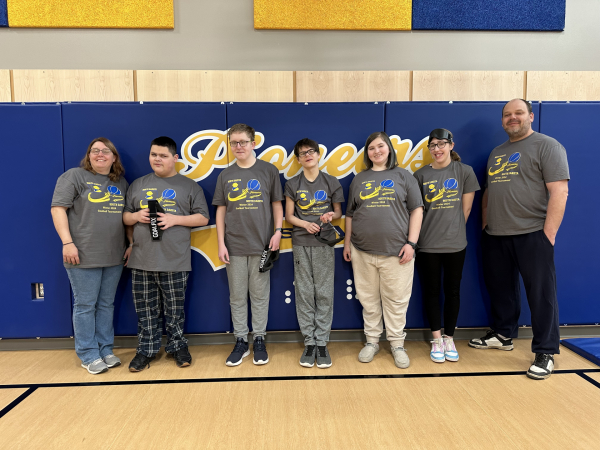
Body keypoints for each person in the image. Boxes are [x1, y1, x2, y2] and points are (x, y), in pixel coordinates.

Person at [469, 99, 570, 380]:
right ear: (502, 121)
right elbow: (488, 192)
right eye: (507, 115)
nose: (512, 118)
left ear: (531, 116)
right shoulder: (496, 153)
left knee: (541, 295)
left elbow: (559, 192)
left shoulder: (547, 146)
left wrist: (547, 234)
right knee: (500, 289)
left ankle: (546, 350)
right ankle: (503, 335)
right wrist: (487, 224)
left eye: (518, 113)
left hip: (532, 234)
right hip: (496, 235)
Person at [123, 136, 209, 372]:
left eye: (162, 155)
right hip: (141, 260)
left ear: (174, 158)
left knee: (174, 309)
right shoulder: (138, 185)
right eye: (153, 155)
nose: (157, 159)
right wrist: (135, 217)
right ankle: (146, 350)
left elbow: (203, 217)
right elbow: (125, 217)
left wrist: (175, 219)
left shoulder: (189, 186)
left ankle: (177, 346)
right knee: (145, 310)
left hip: (175, 259)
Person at [343, 131, 423, 369]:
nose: (376, 151)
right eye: (371, 148)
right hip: (362, 251)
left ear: (389, 148)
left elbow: (417, 210)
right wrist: (347, 243)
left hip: (397, 252)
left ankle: (397, 344)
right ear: (367, 153)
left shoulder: (404, 176)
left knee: (397, 300)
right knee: (368, 300)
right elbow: (349, 214)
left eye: (380, 146)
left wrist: (411, 243)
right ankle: (372, 341)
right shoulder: (359, 179)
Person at [51, 137, 130, 375]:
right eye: (94, 151)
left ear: (114, 157)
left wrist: (131, 244)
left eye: (105, 151)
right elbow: (58, 209)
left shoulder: (121, 183)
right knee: (85, 305)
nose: (100, 154)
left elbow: (125, 218)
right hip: (82, 254)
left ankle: (105, 349)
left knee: (106, 305)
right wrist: (67, 242)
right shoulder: (74, 176)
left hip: (114, 255)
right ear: (89, 155)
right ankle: (88, 354)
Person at [213, 123, 284, 367]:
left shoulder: (268, 171)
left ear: (254, 143)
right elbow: (221, 211)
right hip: (234, 246)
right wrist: (221, 243)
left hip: (262, 246)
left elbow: (277, 204)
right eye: (234, 143)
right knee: (237, 296)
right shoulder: (226, 175)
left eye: (243, 142)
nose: (238, 147)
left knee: (260, 295)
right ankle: (241, 340)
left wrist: (277, 232)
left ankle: (260, 339)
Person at [413, 128, 480, 363]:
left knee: (452, 291)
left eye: (441, 144)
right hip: (427, 245)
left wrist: (453, 231)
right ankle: (436, 338)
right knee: (431, 292)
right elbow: (416, 212)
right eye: (432, 145)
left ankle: (449, 337)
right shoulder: (419, 175)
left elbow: (467, 210)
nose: (437, 149)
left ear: (451, 145)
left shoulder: (465, 172)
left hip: (455, 244)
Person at [284, 138, 344, 369]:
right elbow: (289, 216)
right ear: (298, 159)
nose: (307, 155)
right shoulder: (292, 183)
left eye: (311, 151)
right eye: (302, 153)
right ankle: (309, 342)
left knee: (325, 293)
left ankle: (322, 343)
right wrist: (304, 224)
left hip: (325, 244)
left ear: (318, 155)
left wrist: (330, 216)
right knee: (306, 293)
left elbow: (338, 211)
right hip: (301, 243)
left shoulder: (331, 181)